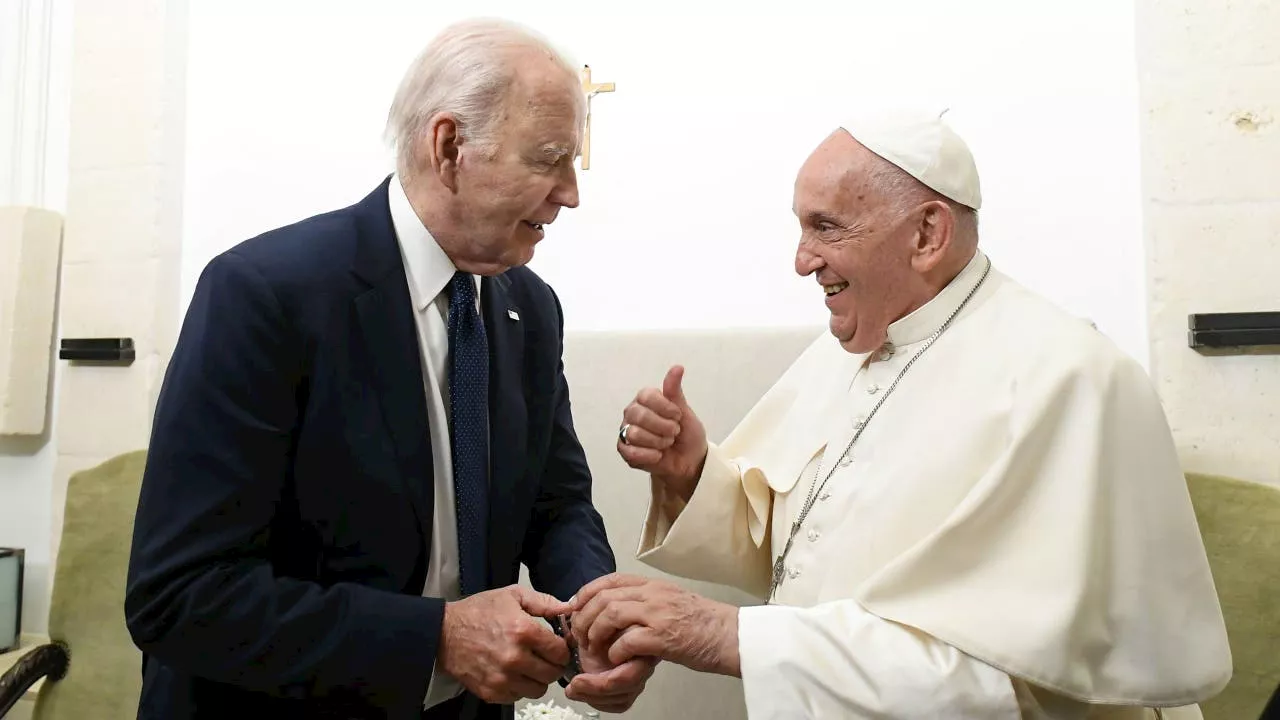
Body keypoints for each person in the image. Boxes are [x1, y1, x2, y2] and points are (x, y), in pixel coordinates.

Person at [567, 109, 1233, 718]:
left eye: (825, 226)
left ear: (926, 234)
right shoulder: (852, 350)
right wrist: (693, 474)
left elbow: (1008, 683)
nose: (801, 261)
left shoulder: (1069, 380)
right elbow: (803, 551)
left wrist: (723, 634)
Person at [125, 18, 653, 720]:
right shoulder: (264, 297)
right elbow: (181, 596)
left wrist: (595, 614)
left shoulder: (531, 308)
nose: (570, 192)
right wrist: (436, 639)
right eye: (549, 158)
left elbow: (555, 506)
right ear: (449, 146)